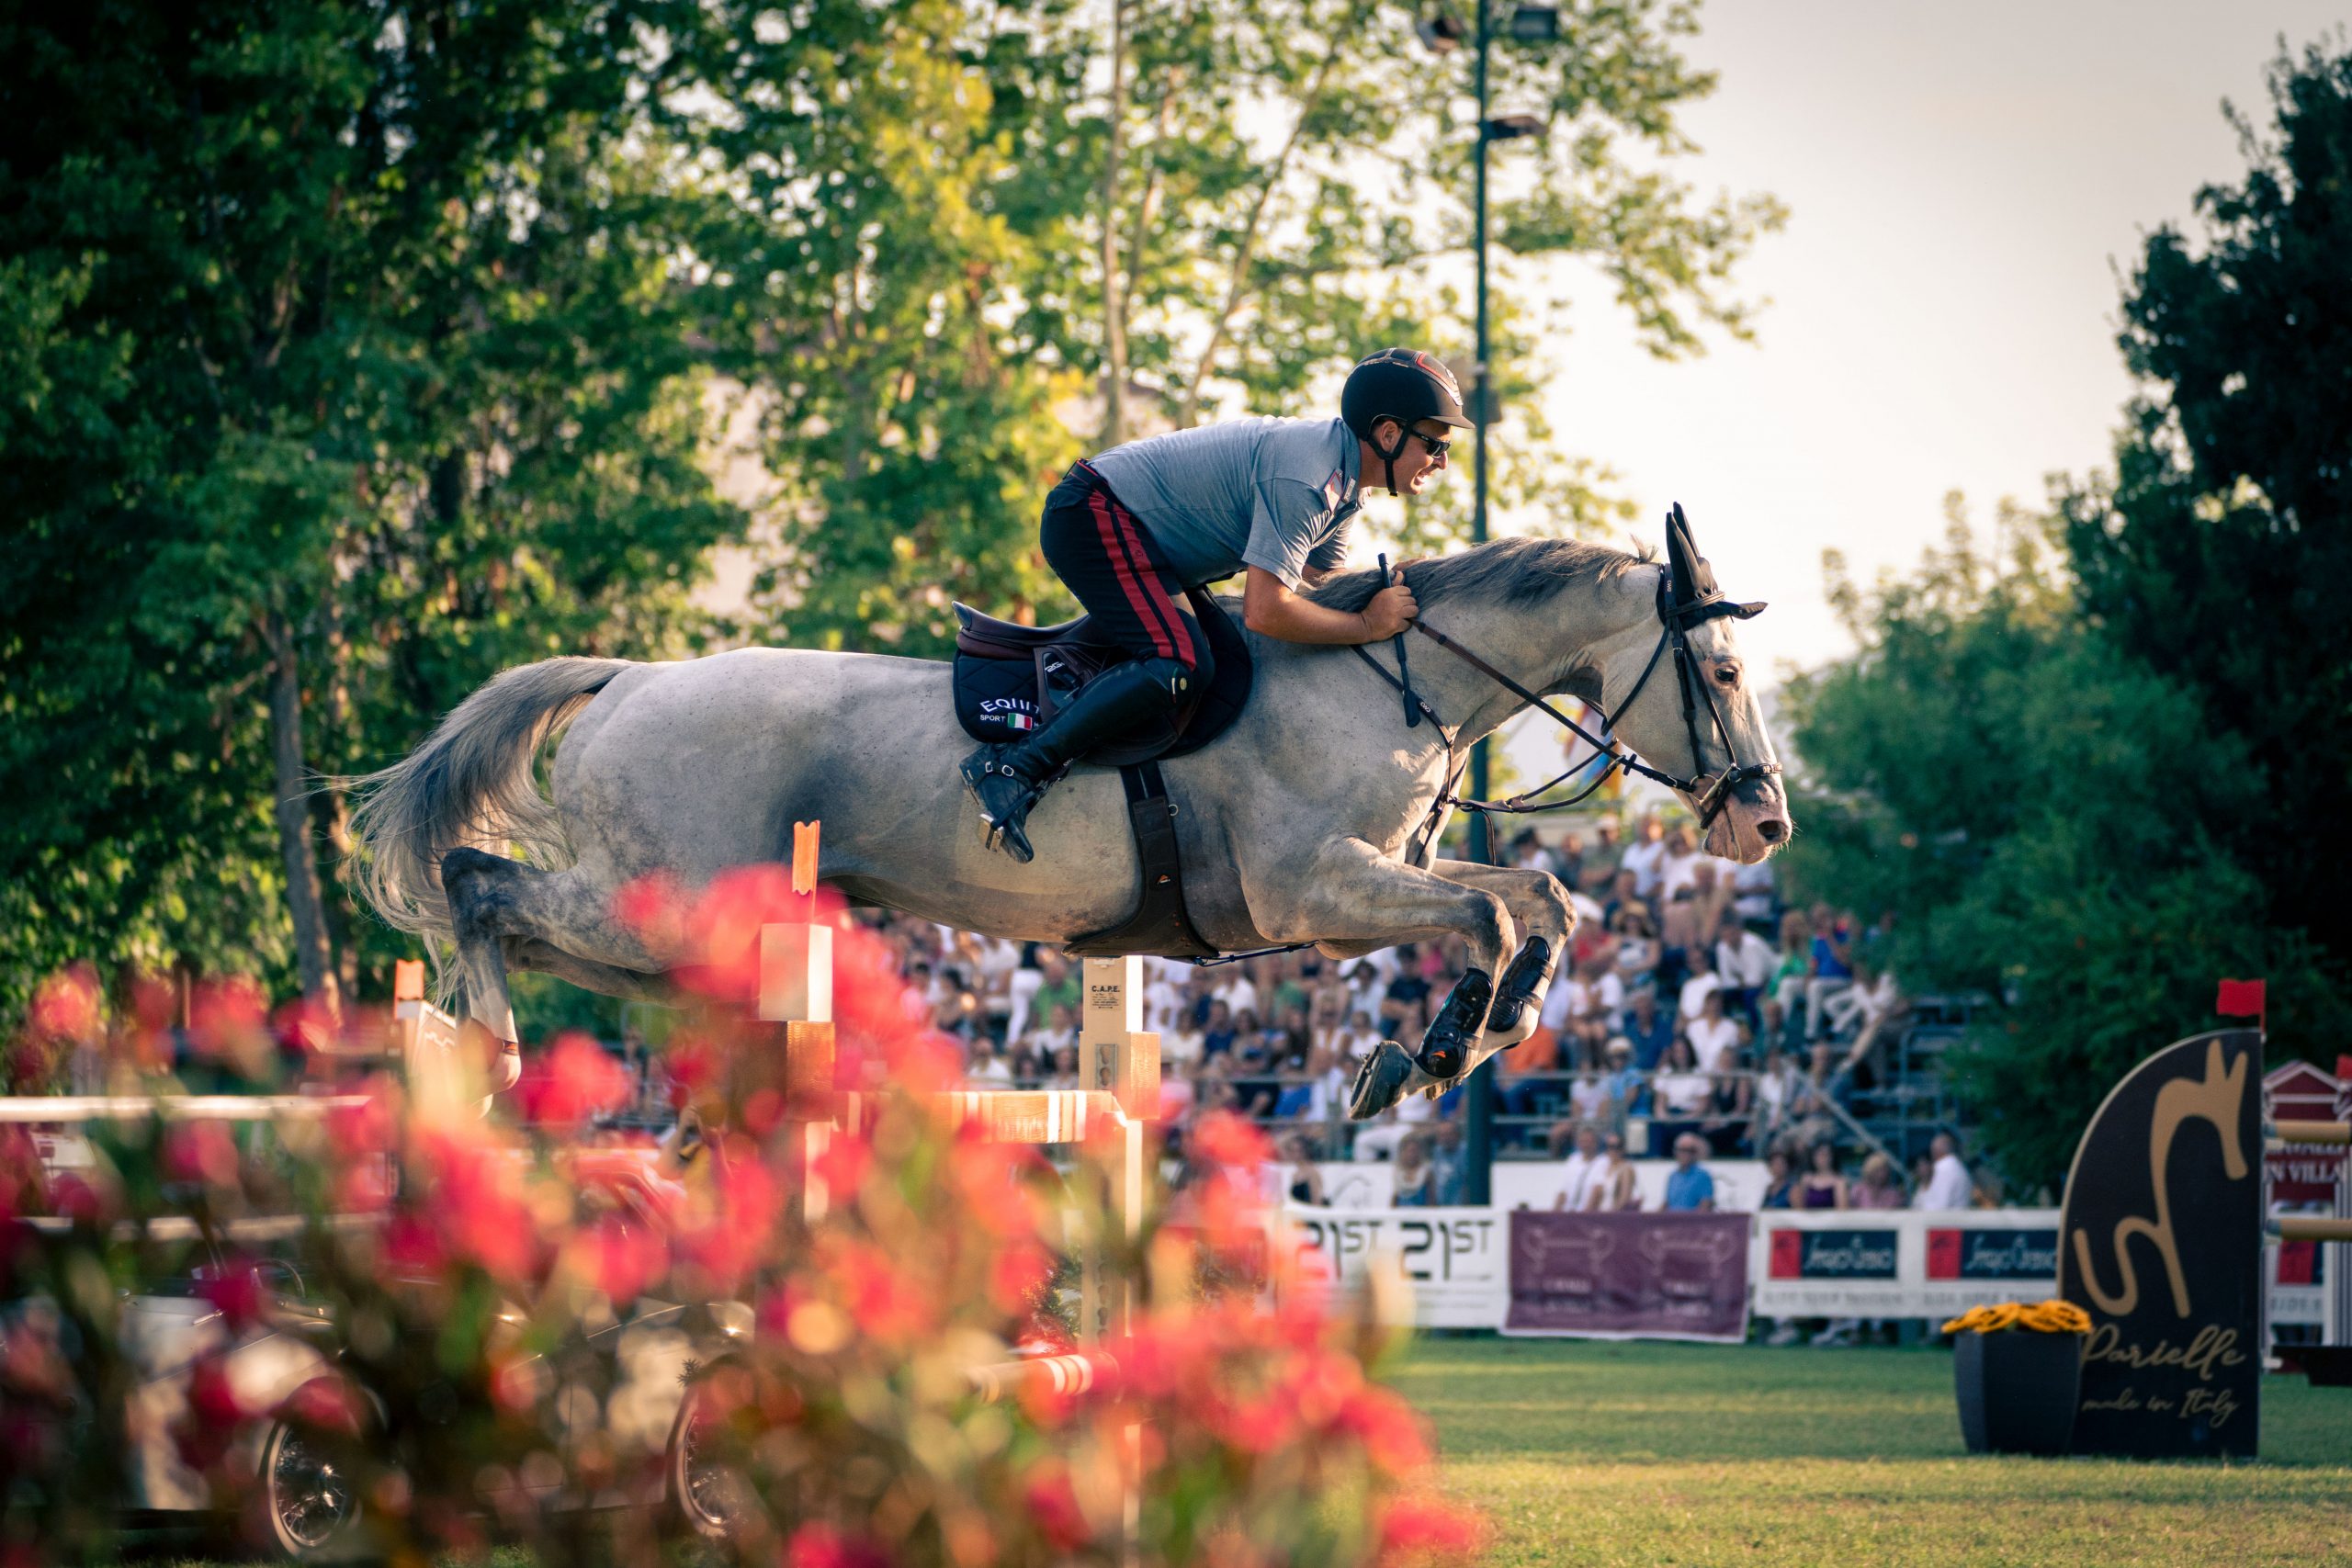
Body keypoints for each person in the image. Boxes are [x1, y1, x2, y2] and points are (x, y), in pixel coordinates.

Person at [960, 348, 1466, 861]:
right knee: (1181, 662)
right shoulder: (1310, 480)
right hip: (1091, 513)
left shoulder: (1347, 489)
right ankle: (1014, 768)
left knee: (1220, 658)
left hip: (1129, 528)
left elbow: (1316, 589)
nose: (1442, 459)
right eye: (1436, 442)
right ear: (1386, 434)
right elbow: (1267, 611)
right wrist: (1366, 622)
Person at [1552, 1123, 1607, 1212]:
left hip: (1587, 1213)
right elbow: (1563, 1190)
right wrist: (1554, 1213)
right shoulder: (1573, 1159)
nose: (1586, 1145)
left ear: (1596, 1143)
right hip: (1568, 1212)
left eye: (1589, 1141)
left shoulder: (1603, 1161)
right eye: (1583, 1141)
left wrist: (1584, 1215)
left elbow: (1597, 1191)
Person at [1917, 1133, 1973, 1210]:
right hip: (1958, 1218)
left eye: (1933, 1150)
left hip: (1948, 1219)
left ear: (1936, 1151)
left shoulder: (1944, 1168)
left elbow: (1940, 1205)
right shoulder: (1958, 1167)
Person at [1662, 1134, 1716, 1212]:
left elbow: (1705, 1206)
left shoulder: (1703, 1176)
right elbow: (1667, 1204)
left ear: (1696, 1153)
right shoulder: (1673, 1176)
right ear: (1675, 1151)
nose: (1686, 1154)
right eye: (1682, 1150)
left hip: (1692, 1222)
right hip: (1672, 1222)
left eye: (1691, 1151)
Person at [1797, 1141, 1848, 1211]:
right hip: (1809, 1220)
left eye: (1825, 1155)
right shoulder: (1806, 1179)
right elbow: (1800, 1207)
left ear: (1832, 1157)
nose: (1821, 1158)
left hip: (1832, 1220)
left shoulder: (1839, 1181)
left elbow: (1842, 1209)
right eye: (1818, 1155)